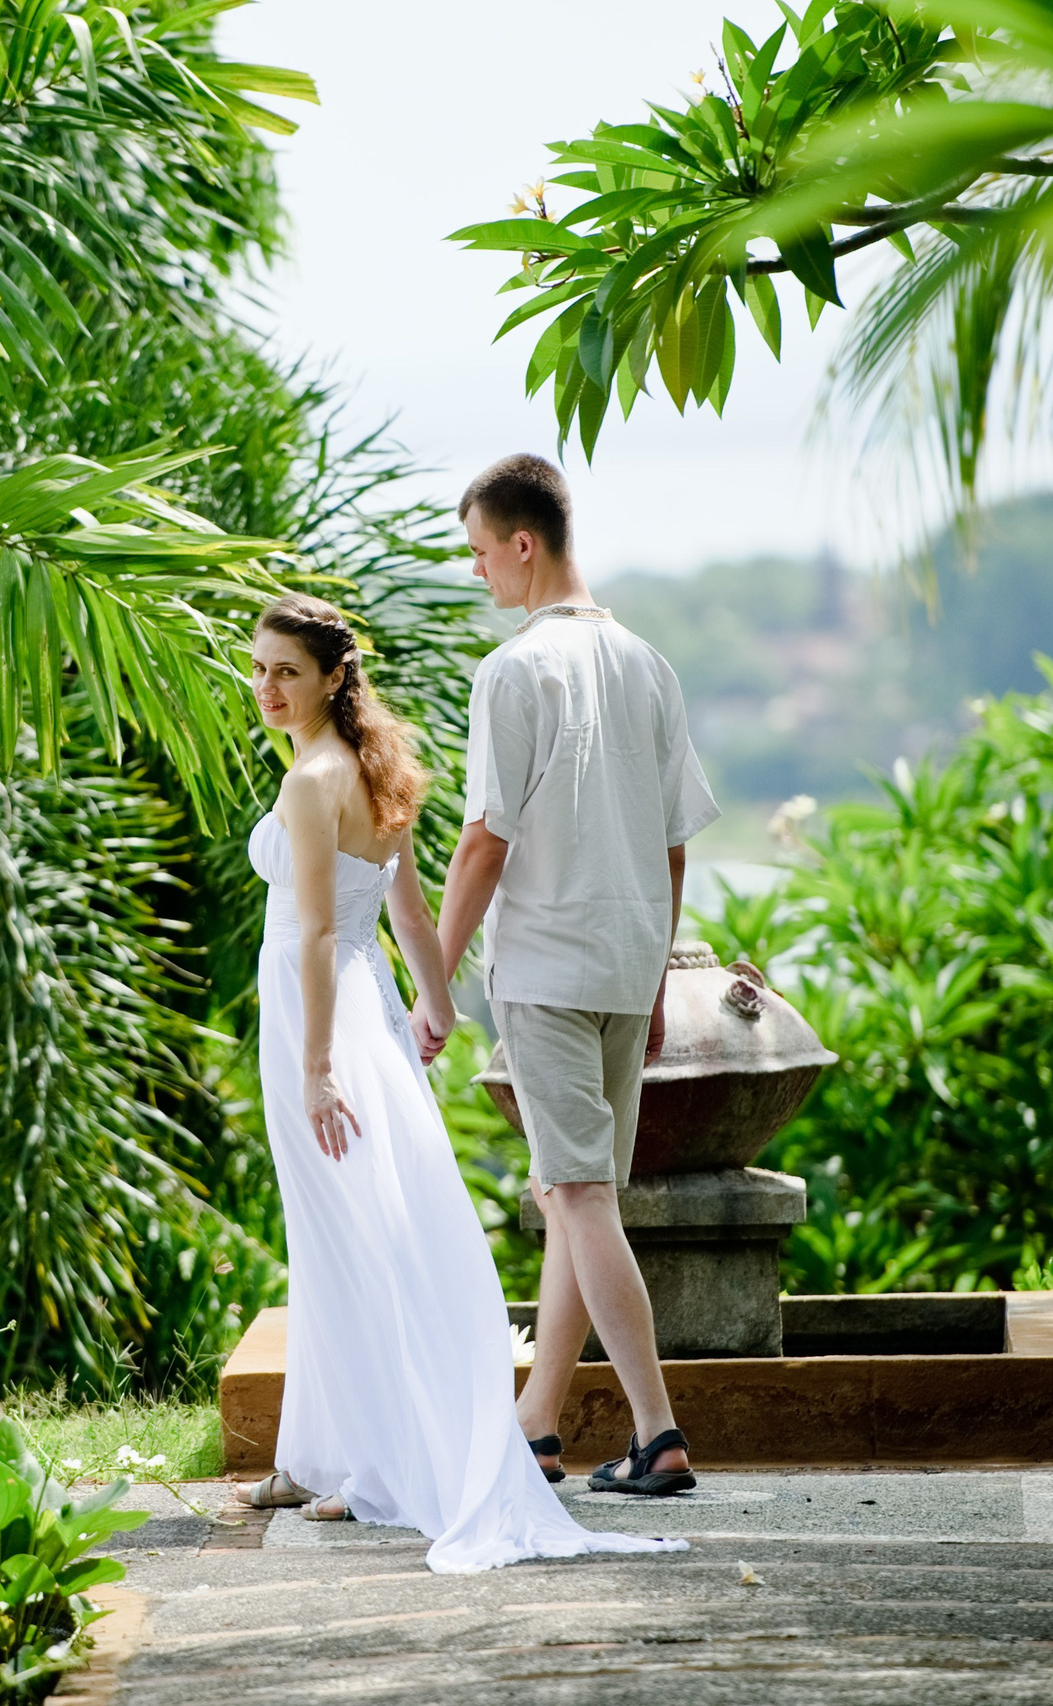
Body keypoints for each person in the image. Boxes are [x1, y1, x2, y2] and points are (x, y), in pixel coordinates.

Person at [231, 592, 682, 1573]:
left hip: (321, 1019)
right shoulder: (373, 765)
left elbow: (315, 930)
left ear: (331, 677)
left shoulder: (313, 777)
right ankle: (310, 1456)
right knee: (339, 1228)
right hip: (365, 1007)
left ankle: (366, 1462)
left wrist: (316, 1068)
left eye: (286, 671)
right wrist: (433, 1004)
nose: (266, 686)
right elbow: (403, 899)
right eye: (258, 667)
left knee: (345, 1232)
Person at [422, 454, 721, 1497]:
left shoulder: (512, 670)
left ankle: (657, 1430)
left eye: (478, 553)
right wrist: (649, 984)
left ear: (522, 542)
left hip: (546, 964)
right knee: (572, 1191)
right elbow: (675, 843)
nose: (478, 576)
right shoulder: (648, 661)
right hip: (626, 960)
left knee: (579, 1193)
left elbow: (481, 843)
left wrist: (435, 982)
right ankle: (536, 1424)